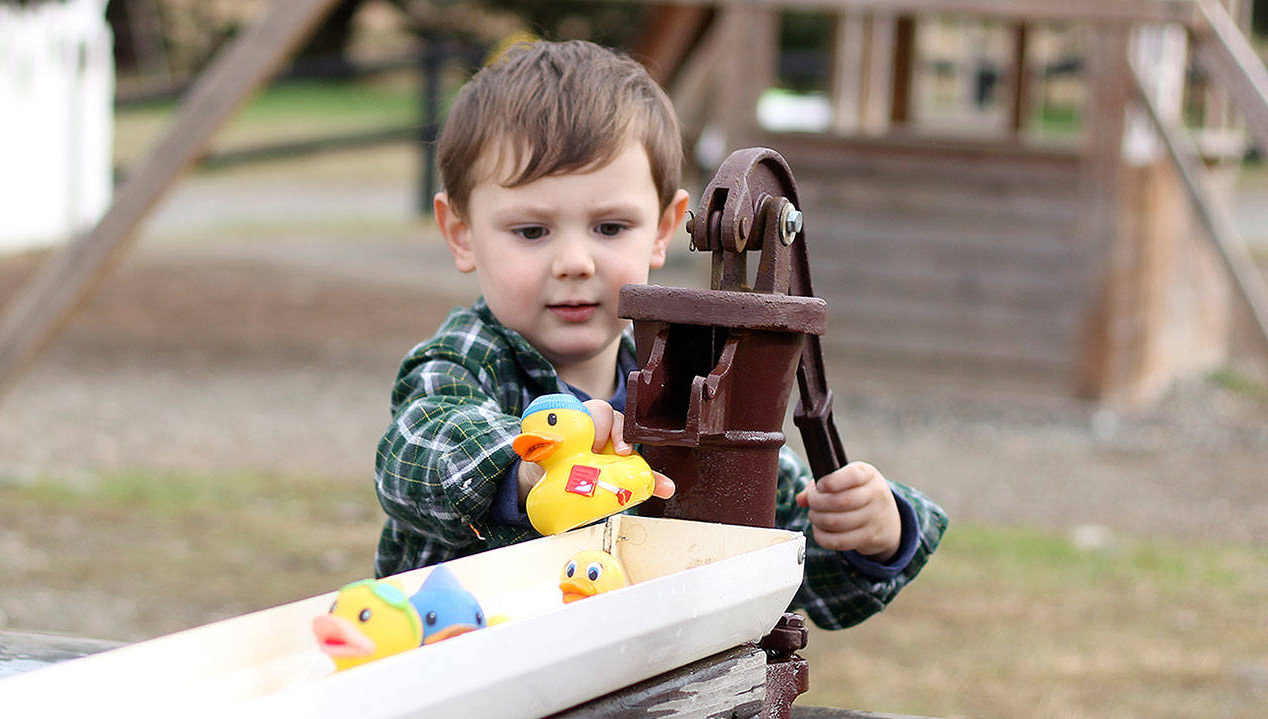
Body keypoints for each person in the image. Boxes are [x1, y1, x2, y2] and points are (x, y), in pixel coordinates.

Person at [374, 39, 947, 629]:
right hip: (470, 685)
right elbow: (413, 454)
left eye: (610, 226)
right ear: (461, 233)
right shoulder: (468, 361)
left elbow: (783, 558)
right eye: (531, 231)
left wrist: (875, 533)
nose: (575, 261)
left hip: (643, 699)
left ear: (664, 228)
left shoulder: (685, 388)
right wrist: (527, 470)